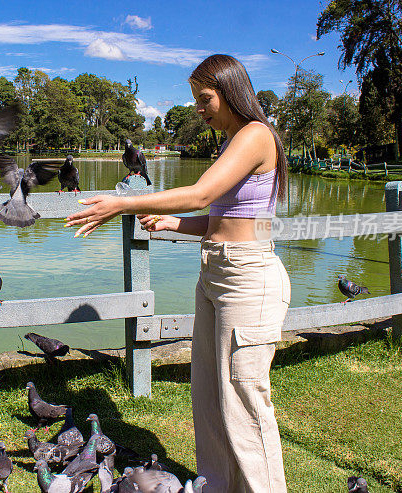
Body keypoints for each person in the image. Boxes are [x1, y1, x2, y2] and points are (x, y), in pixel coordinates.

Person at [65, 54, 290, 492]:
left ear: (231, 90)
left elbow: (202, 193)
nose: (199, 110)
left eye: (205, 99)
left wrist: (124, 202)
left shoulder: (255, 135)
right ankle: (219, 486)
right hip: (217, 271)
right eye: (195, 101)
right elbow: (228, 220)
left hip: (248, 278)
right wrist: (175, 224)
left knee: (244, 401)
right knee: (209, 396)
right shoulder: (229, 142)